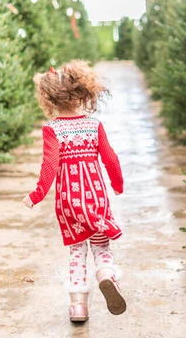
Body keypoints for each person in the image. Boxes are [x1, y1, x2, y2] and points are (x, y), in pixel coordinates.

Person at [23, 60, 126, 322]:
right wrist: (117, 183)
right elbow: (110, 158)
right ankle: (105, 273)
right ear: (82, 92)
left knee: (77, 251)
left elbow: (49, 167)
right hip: (96, 197)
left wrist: (35, 196)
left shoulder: (52, 129)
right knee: (101, 245)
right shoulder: (94, 126)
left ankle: (79, 306)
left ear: (50, 99)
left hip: (69, 201)